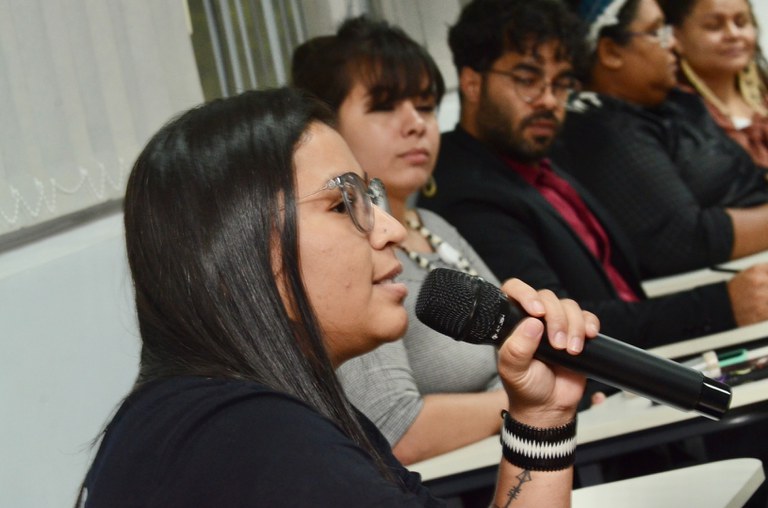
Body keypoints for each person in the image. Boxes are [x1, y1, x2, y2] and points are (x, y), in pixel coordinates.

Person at [75, 87, 598, 507]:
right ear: (238, 248)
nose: (390, 228)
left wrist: (540, 418)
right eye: (344, 203)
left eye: (371, 198)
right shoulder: (254, 440)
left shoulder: (252, 413)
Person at [418, 0, 768, 348]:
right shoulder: (467, 187)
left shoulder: (535, 160)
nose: (549, 101)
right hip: (611, 380)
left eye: (560, 83)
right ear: (471, 83)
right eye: (527, 79)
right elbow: (553, 324)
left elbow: (623, 292)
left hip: (658, 352)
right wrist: (722, 306)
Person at [291, 16, 509, 466]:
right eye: (385, 106)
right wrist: (530, 406)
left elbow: (518, 342)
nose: (416, 125)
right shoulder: (346, 251)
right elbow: (396, 426)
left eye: (426, 106)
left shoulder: (434, 224)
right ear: (326, 128)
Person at [554, 0, 768, 279]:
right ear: (610, 52)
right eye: (657, 33)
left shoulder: (670, 105)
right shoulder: (603, 129)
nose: (674, 46)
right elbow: (682, 241)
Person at [659, 0, 768, 168]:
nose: (733, 34)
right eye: (714, 26)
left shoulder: (764, 97)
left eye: (741, 23)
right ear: (676, 38)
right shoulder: (672, 116)